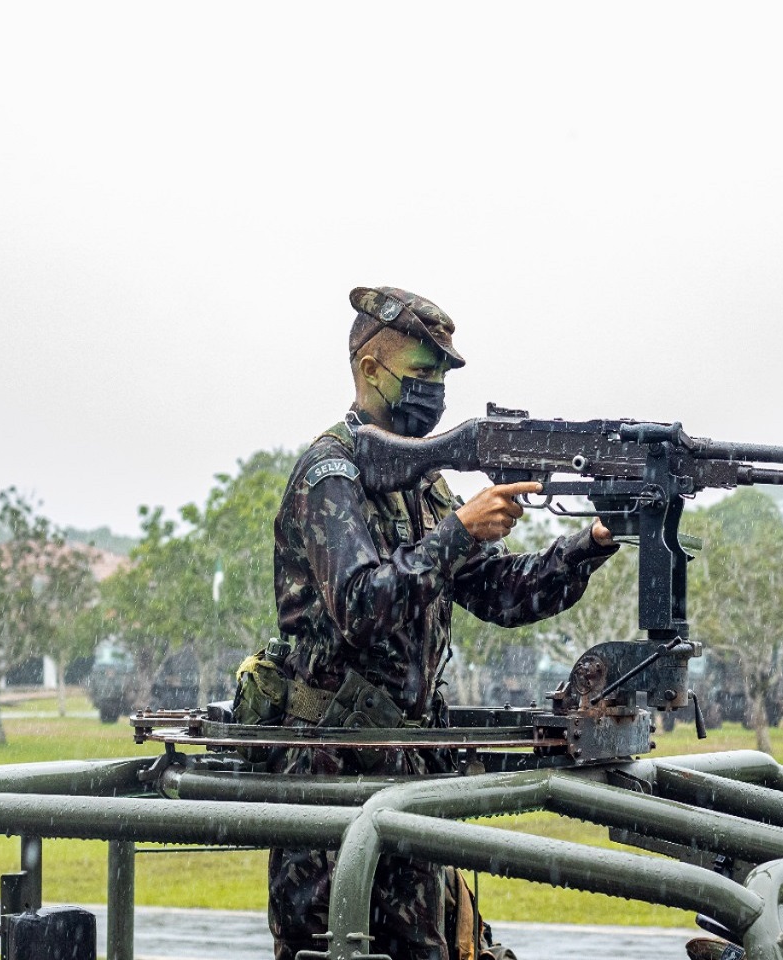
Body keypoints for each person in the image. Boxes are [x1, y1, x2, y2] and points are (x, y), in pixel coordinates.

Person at [268, 285, 619, 960]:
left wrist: (593, 542)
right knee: (330, 944)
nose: (433, 392)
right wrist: (459, 532)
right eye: (420, 373)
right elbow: (362, 606)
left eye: (440, 378)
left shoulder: (423, 483)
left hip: (409, 765)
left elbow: (497, 594)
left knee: (424, 948)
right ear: (370, 369)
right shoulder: (331, 475)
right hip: (332, 767)